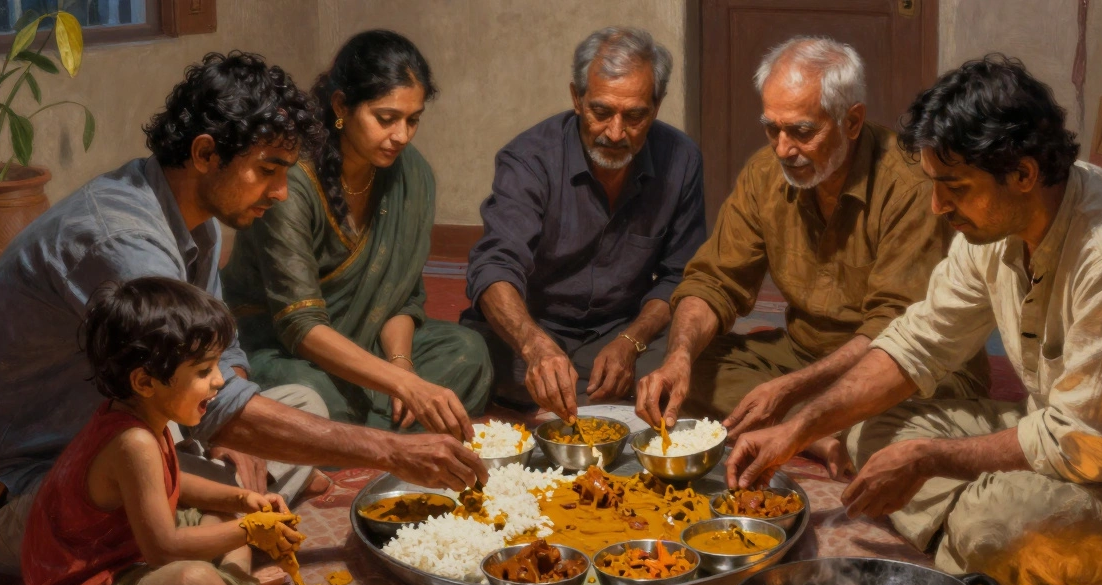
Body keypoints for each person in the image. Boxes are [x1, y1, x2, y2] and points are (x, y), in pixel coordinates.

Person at [0, 51, 486, 577]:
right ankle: (215, 549)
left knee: (299, 402)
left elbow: (222, 353)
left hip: (127, 438)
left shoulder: (194, 218)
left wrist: (228, 431)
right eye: (267, 171)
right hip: (18, 491)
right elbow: (206, 398)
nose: (279, 192)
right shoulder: (124, 242)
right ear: (205, 154)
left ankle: (227, 521)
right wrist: (393, 451)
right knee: (207, 485)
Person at [725, 56, 1102, 585]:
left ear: (1024, 174)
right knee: (867, 427)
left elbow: (1081, 447)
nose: (939, 207)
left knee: (998, 526)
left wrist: (928, 460)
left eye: (954, 187)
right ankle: (995, 558)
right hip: (1060, 434)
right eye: (935, 185)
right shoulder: (994, 226)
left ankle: (992, 548)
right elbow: (918, 342)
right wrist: (797, 429)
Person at [635, 37, 986, 472]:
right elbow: (713, 282)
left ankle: (814, 425)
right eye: (772, 128)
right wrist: (680, 358)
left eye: (802, 131)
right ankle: (823, 431)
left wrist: (788, 392)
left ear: (852, 121)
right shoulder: (766, 173)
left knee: (906, 418)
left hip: (902, 364)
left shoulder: (911, 184)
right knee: (678, 361)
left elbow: (896, 331)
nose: (783, 149)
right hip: (806, 355)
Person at [23, 278, 302, 585]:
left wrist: (241, 502)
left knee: (227, 507)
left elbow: (174, 482)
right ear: (144, 382)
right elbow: (163, 550)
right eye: (205, 370)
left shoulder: (139, 415)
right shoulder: (133, 441)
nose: (219, 381)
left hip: (126, 554)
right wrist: (253, 530)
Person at [223, 31, 491, 439]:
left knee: (469, 354)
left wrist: (401, 365)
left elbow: (400, 297)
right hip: (284, 349)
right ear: (341, 106)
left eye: (413, 119)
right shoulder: (292, 180)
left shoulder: (411, 174)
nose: (401, 135)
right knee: (312, 396)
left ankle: (351, 433)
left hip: (367, 347)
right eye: (386, 119)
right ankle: (372, 428)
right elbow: (300, 326)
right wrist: (401, 385)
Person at [462, 26, 707, 421]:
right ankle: (594, 393)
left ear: (656, 106)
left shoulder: (681, 159)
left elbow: (681, 276)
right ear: (577, 98)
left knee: (695, 353)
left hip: (621, 329)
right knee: (466, 356)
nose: (614, 132)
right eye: (601, 111)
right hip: (534, 327)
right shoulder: (529, 159)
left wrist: (631, 341)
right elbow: (494, 268)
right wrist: (535, 345)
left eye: (634, 116)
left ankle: (562, 391)